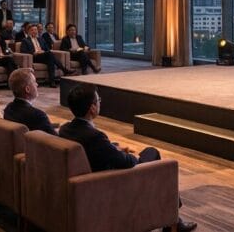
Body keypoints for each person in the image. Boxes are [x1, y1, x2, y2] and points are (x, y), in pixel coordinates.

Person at [60, 84, 197, 232]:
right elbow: (125, 162)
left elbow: (98, 150)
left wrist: (114, 148)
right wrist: (133, 157)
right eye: (98, 100)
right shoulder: (95, 137)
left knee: (150, 160)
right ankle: (173, 222)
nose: (100, 102)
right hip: (109, 182)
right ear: (92, 108)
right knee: (155, 156)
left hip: (91, 180)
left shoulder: (65, 129)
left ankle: (173, 221)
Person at [3, 68, 56, 135]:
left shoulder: (8, 108)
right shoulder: (38, 115)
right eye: (34, 82)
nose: (37, 84)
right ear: (27, 89)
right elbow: (56, 139)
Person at [20, 23, 70, 87]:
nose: (34, 31)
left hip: (43, 56)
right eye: (32, 30)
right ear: (29, 31)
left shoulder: (41, 39)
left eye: (36, 30)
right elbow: (23, 51)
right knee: (50, 55)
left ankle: (52, 81)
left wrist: (43, 51)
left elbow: (47, 49)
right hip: (34, 57)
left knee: (50, 59)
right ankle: (64, 70)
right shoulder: (25, 40)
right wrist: (34, 53)